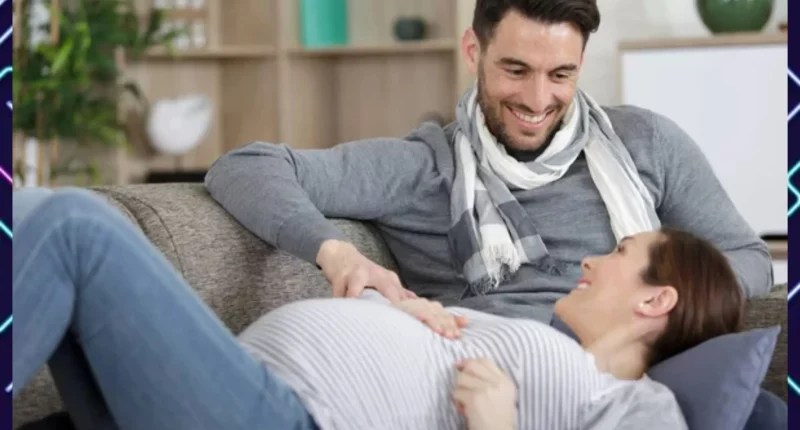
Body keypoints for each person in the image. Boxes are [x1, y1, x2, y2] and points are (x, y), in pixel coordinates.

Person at [204, 0, 772, 324]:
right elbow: (244, 166)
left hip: (632, 365)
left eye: (561, 74)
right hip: (488, 366)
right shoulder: (425, 167)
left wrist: (657, 301)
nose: (537, 100)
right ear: (473, 51)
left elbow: (750, 258)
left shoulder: (645, 142)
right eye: (516, 70)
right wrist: (335, 252)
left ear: (581, 63)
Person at [13, 188, 745, 430]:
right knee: (40, 217)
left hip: (284, 416)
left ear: (658, 298)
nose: (591, 259)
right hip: (237, 387)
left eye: (618, 254)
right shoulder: (537, 339)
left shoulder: (638, 406)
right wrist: (400, 307)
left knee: (75, 227)